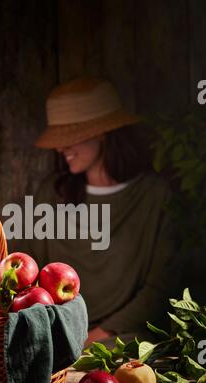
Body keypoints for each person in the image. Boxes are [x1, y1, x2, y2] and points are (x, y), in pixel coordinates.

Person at [11, 77, 181, 346]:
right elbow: (25, 274)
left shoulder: (155, 196)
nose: (60, 147)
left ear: (103, 132)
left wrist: (97, 338)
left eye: (71, 136)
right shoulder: (51, 195)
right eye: (59, 137)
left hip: (121, 336)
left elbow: (161, 287)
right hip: (58, 335)